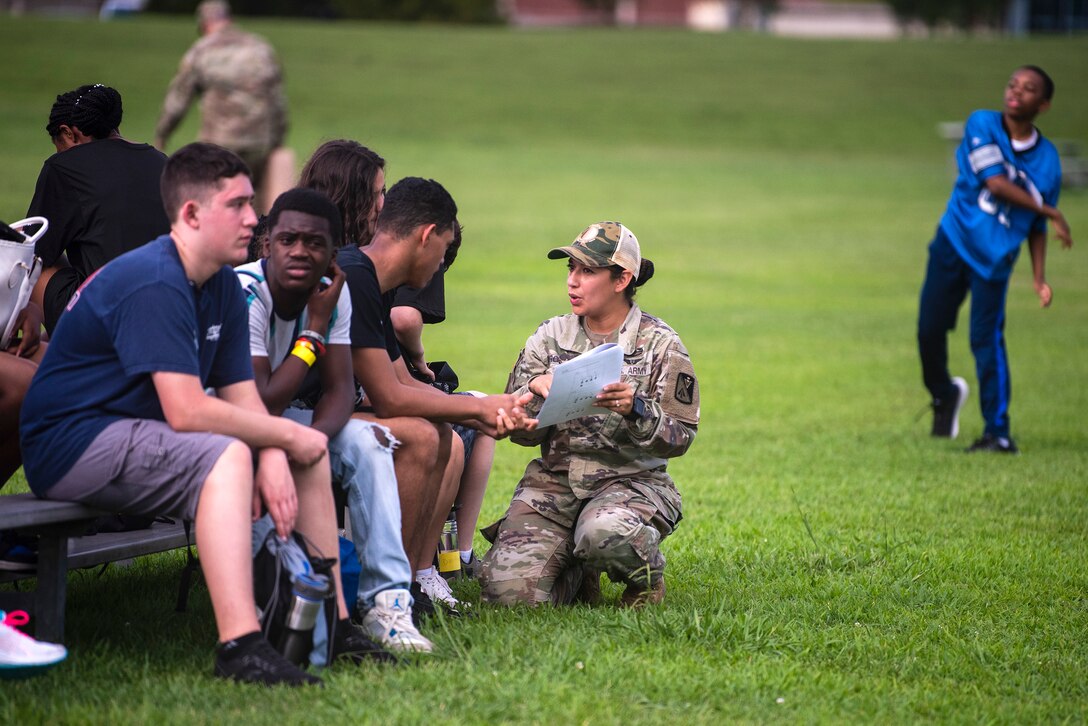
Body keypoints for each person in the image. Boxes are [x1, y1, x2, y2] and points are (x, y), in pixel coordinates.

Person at [19, 143, 385, 686]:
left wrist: (279, 446)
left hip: (140, 435)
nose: (251, 218)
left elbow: (244, 400)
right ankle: (241, 647)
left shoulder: (218, 282)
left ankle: (333, 622)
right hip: (73, 442)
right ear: (190, 215)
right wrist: (277, 438)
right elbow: (188, 410)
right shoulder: (155, 278)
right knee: (233, 454)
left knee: (293, 448)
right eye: (236, 205)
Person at [236, 187, 432, 653]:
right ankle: (300, 617)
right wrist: (312, 333)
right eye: (288, 240)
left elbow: (341, 389)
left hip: (290, 420)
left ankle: (387, 603)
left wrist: (315, 441)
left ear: (334, 250)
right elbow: (261, 399)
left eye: (315, 242)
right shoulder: (246, 291)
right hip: (234, 421)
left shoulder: (332, 290)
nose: (301, 251)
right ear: (269, 245)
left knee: (370, 439)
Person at [333, 175, 531, 613]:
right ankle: (386, 592)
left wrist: (477, 414)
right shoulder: (355, 276)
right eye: (443, 250)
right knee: (423, 435)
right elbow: (390, 399)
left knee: (439, 430)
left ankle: (406, 580)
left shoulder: (371, 282)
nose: (440, 264)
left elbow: (404, 382)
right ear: (426, 236)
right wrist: (478, 405)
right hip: (299, 417)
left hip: (337, 414)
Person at [479, 222, 699, 608]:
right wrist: (532, 395)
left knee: (602, 533)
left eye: (587, 271)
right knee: (506, 597)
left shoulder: (660, 343)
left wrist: (637, 408)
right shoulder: (549, 337)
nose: (573, 282)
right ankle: (576, 571)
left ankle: (646, 581)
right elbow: (516, 429)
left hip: (630, 484)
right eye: (570, 269)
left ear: (621, 279)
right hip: (555, 486)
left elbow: (681, 435)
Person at [918, 65, 1073, 454]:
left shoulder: (1048, 161)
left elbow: (1035, 226)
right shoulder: (982, 124)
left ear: (1045, 103)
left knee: (985, 341)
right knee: (928, 329)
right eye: (1013, 85)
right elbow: (995, 182)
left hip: (993, 260)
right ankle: (944, 394)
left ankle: (998, 433)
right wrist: (1051, 211)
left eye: (1029, 89)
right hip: (953, 240)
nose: (1017, 92)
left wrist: (1039, 277)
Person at [390, 224, 496, 579]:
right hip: (377, 405)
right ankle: (453, 557)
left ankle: (440, 560)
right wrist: (419, 359)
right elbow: (403, 318)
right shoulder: (415, 249)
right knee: (462, 424)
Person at [27, 83, 169, 335]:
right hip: (168, 307)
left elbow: (34, 252)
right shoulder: (161, 161)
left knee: (36, 260)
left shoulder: (64, 166)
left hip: (105, 318)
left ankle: (56, 353)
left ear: (68, 133)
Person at [154, 0, 288, 212]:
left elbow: (177, 101)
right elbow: (278, 102)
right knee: (253, 207)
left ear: (204, 25)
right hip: (259, 144)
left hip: (219, 145)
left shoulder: (200, 51)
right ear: (230, 20)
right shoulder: (261, 48)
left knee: (218, 204)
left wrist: (162, 135)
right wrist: (277, 141)